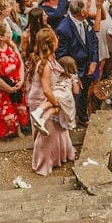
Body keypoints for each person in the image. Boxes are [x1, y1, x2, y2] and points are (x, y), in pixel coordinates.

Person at [28, 28, 76, 175]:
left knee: (59, 130)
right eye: (56, 38)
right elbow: (46, 90)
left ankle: (61, 156)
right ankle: (43, 164)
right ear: (51, 43)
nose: (58, 40)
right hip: (43, 100)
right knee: (48, 135)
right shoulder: (45, 65)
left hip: (48, 98)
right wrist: (56, 103)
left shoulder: (50, 58)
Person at [55, 0, 99, 127]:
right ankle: (70, 121)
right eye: (88, 7)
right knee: (75, 96)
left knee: (84, 93)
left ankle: (83, 117)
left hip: (87, 64)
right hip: (74, 68)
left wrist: (94, 61)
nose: (90, 8)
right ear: (82, 12)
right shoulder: (63, 29)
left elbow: (94, 41)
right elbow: (61, 56)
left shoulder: (86, 21)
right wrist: (73, 74)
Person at [30, 56, 80, 134]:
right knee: (55, 107)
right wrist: (76, 81)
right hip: (64, 95)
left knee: (54, 107)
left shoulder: (56, 74)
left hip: (55, 91)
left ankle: (41, 119)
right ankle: (39, 114)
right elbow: (76, 91)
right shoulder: (72, 77)